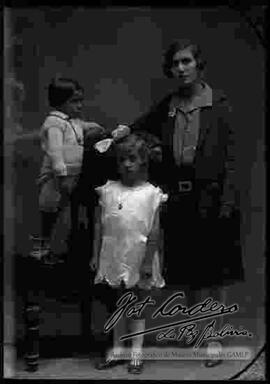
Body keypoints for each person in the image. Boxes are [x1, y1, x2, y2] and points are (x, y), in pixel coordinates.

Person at [129, 39, 244, 367]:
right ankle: (198, 329)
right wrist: (143, 145)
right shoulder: (168, 104)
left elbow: (232, 158)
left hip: (214, 197)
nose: (180, 69)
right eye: (175, 64)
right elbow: (139, 128)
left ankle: (214, 340)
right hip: (178, 198)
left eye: (186, 62)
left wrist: (228, 201)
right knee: (191, 268)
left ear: (198, 64)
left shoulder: (219, 104)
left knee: (215, 271)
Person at [90, 133, 167, 374]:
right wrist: (95, 255)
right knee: (116, 306)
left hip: (138, 256)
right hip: (113, 255)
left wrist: (147, 262)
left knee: (137, 306)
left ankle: (136, 354)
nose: (126, 164)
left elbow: (154, 232)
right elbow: (99, 226)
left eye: (132, 159)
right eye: (122, 159)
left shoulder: (151, 193)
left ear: (143, 161)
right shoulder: (108, 191)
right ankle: (116, 350)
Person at [30, 77, 105, 264]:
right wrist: (61, 173)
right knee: (49, 213)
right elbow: (55, 151)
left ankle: (58, 249)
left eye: (81, 100)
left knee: (62, 213)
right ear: (59, 101)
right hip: (56, 177)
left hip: (72, 176)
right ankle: (40, 251)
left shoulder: (72, 122)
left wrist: (94, 127)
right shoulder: (54, 123)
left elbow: (82, 127)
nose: (80, 105)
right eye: (74, 101)